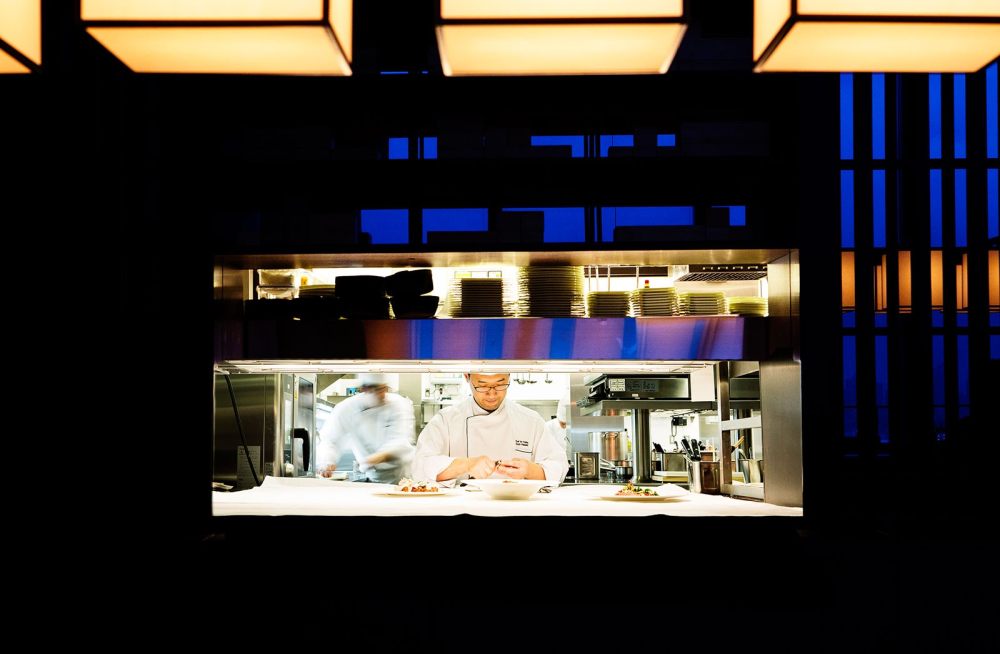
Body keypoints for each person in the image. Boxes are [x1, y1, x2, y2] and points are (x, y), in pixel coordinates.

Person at [412, 372, 569, 485]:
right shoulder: (445, 420)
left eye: (500, 384)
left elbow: (558, 467)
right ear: (467, 377)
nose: (492, 394)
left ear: (509, 376)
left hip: (517, 510)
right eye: (482, 385)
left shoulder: (531, 420)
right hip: (462, 511)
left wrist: (529, 470)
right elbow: (421, 467)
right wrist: (466, 465)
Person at [316, 373, 415, 484]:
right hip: (373, 477)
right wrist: (327, 461)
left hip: (401, 478)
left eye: (385, 389)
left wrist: (371, 460)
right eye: (378, 390)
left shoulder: (399, 404)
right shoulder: (347, 407)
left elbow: (400, 442)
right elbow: (330, 439)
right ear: (364, 389)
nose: (383, 395)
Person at [543, 401, 573, 465]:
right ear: (558, 418)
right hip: (553, 461)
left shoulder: (571, 426)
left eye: (567, 423)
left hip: (568, 460)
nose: (564, 426)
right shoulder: (548, 426)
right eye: (562, 423)